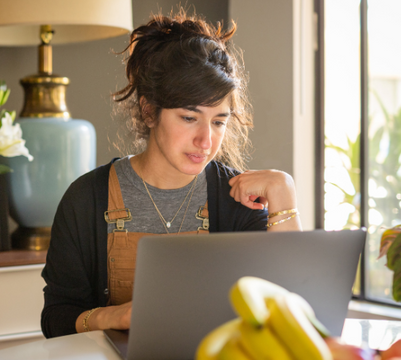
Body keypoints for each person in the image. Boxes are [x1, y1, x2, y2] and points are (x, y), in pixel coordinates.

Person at [40, 9, 301, 339]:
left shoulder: (238, 199)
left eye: (218, 121)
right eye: (189, 118)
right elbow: (56, 319)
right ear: (150, 111)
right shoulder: (86, 199)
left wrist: (284, 195)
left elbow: (290, 317)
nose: (206, 141)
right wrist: (116, 316)